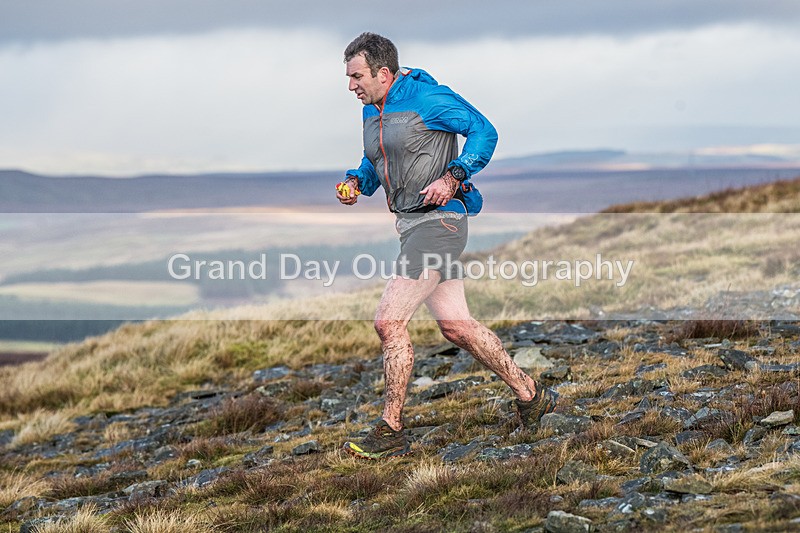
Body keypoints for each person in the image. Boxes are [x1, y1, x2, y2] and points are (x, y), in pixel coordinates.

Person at [337, 32, 557, 460]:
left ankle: (391, 429)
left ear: (384, 72)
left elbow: (484, 131)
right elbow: (375, 159)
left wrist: (453, 176)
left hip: (440, 224)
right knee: (457, 327)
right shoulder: (373, 109)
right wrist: (356, 181)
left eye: (356, 76)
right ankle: (531, 396)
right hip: (412, 225)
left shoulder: (429, 98)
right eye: (348, 78)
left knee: (388, 322)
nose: (351, 86)